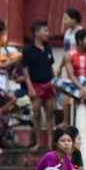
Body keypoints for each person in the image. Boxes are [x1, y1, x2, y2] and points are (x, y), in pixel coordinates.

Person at [21, 20, 57, 151]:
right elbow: (25, 71)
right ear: (36, 33)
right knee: (36, 114)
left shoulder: (48, 48)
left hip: (49, 84)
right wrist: (30, 87)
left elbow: (51, 67)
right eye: (45, 31)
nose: (48, 33)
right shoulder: (28, 50)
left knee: (50, 114)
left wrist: (54, 83)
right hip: (35, 85)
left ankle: (50, 143)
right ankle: (38, 142)